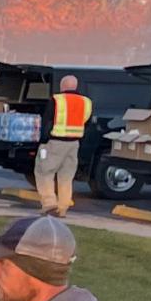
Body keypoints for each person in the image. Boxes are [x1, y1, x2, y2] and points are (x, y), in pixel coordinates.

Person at [34, 75, 93, 217]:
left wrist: (43, 140)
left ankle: (49, 205)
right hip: (74, 144)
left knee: (44, 172)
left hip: (55, 142)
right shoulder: (86, 102)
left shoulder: (56, 100)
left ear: (62, 87)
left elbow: (47, 121)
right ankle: (63, 208)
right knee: (66, 177)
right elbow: (87, 123)